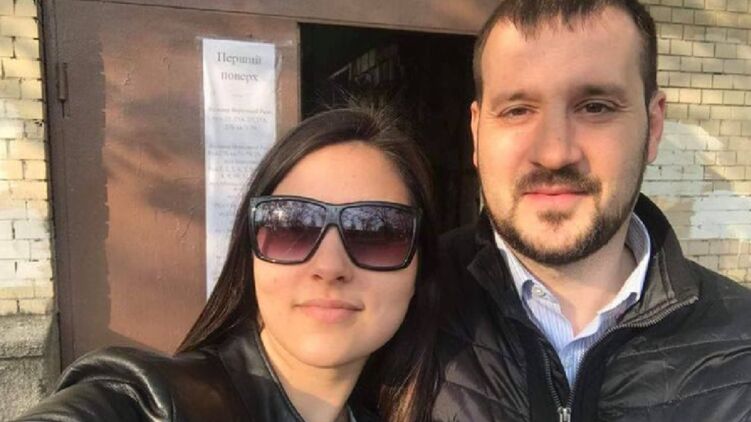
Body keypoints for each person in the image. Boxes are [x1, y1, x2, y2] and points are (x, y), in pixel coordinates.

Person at [432, 1, 751, 421]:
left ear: (654, 127)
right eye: (517, 110)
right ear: (476, 133)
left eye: (595, 107)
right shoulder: (396, 312)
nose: (554, 154)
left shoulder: (742, 344)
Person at [15, 108, 440, 422]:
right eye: (291, 225)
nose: (329, 266)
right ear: (249, 252)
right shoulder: (153, 402)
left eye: (378, 232)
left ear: (419, 270)